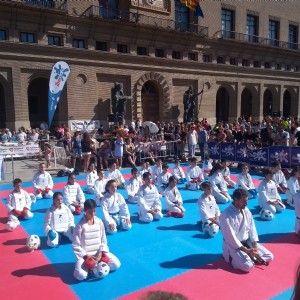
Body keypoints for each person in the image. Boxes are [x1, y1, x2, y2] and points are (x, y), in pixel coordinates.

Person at [219, 188, 274, 272]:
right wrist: (247, 251)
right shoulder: (226, 215)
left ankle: (250, 258)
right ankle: (233, 258)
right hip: (234, 246)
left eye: (247, 201)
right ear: (236, 199)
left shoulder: (246, 210)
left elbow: (252, 228)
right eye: (244, 201)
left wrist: (254, 246)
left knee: (269, 256)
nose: (246, 203)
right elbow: (231, 238)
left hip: (247, 242)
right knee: (247, 266)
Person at [72, 199, 121, 281]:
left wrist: (101, 253)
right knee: (81, 276)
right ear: (85, 210)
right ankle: (90, 267)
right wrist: (87, 256)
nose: (92, 214)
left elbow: (103, 240)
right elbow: (75, 245)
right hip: (86, 256)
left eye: (94, 211)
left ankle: (95, 266)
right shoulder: (80, 226)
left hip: (98, 254)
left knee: (116, 265)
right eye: (90, 212)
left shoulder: (99, 222)